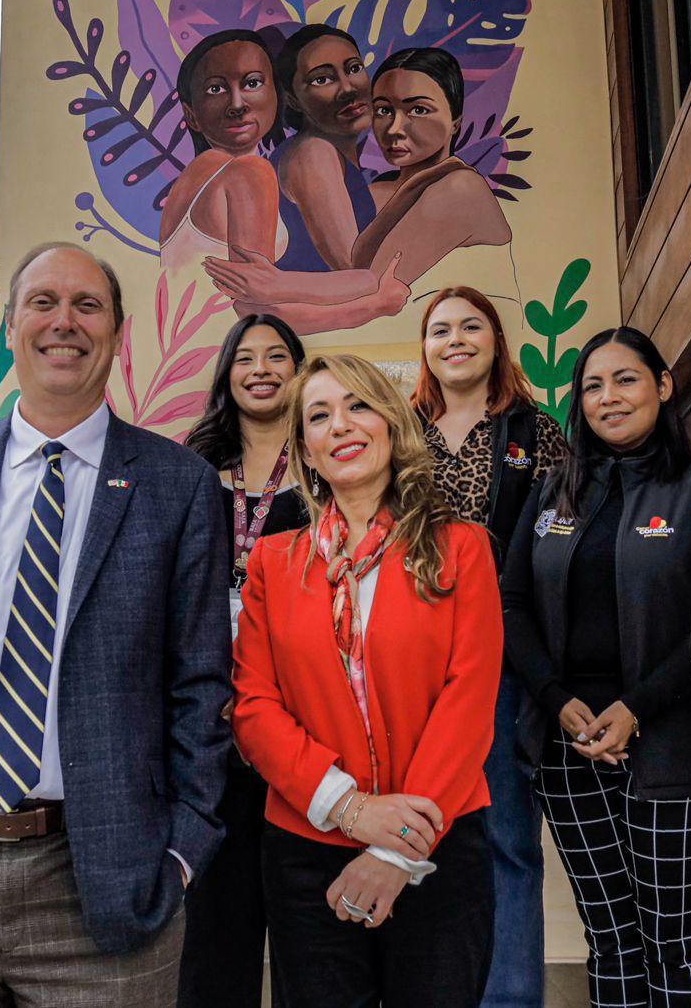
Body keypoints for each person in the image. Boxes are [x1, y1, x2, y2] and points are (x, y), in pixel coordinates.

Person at [0, 241, 234, 1005]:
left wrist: (183, 851)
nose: (65, 322)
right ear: (12, 328)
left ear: (118, 333)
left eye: (87, 305)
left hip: (107, 881)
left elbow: (201, 683)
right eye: (44, 303)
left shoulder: (179, 485)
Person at [233, 353, 503, 1007]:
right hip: (307, 848)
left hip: (438, 844)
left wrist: (397, 851)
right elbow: (253, 707)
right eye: (319, 416)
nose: (341, 425)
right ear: (306, 449)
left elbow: (468, 701)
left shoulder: (462, 547)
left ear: (390, 421)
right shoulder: (274, 560)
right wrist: (349, 811)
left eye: (357, 404)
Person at [502, 327, 691, 1008]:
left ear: (664, 386)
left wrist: (637, 707)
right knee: (608, 937)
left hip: (672, 742)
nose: (609, 398)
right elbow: (511, 600)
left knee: (670, 940)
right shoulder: (553, 493)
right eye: (593, 385)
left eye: (626, 379)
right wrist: (551, 695)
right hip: (567, 743)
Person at [410, 285, 565, 1008]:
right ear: (425, 348)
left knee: (506, 838)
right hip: (406, 664)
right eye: (441, 329)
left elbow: (563, 547)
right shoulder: (397, 427)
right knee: (413, 839)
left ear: (497, 341)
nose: (456, 339)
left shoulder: (538, 432)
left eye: (472, 326)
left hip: (503, 664)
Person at [203, 47, 515, 341]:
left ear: (455, 123)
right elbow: (360, 294)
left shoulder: (460, 189)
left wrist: (275, 286)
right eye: (383, 110)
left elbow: (371, 284)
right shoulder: (376, 197)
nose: (394, 127)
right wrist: (269, 303)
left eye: (418, 109)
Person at [180, 312, 308, 1008]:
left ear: (298, 369)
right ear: (227, 374)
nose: (260, 369)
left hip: (303, 722)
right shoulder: (193, 469)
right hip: (209, 724)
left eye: (276, 357)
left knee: (304, 921)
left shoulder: (327, 467)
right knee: (215, 926)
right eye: (245, 358)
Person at [160, 29, 288, 287]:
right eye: (216, 89)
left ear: (276, 92)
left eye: (252, 83)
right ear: (191, 114)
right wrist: (372, 299)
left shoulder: (195, 176)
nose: (237, 105)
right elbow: (256, 303)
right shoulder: (250, 171)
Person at [268, 23, 377, 272]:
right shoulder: (312, 153)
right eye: (322, 79)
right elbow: (354, 270)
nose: (348, 88)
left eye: (354, 68)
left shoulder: (325, 154)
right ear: (293, 100)